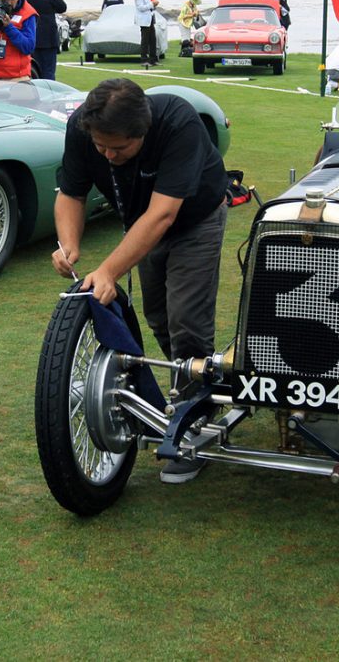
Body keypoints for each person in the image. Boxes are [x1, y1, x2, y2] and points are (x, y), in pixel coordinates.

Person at [52, 78, 229, 483]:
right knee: (159, 319)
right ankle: (194, 388)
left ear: (143, 132)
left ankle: (192, 429)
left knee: (186, 320)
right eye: (101, 147)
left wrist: (110, 271)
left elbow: (164, 215)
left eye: (120, 148)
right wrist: (69, 245)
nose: (110, 155)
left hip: (193, 220)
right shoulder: (84, 127)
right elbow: (71, 193)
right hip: (142, 224)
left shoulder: (178, 123)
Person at [24, 0, 67, 81]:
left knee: (34, 70)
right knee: (48, 71)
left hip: (31, 35)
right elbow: (62, 7)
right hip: (48, 37)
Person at [134, 0, 158, 67]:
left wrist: (153, 5)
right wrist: (152, 4)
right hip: (144, 20)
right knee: (145, 40)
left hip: (150, 18)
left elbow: (148, 6)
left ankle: (153, 59)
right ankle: (144, 59)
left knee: (153, 39)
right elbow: (140, 8)